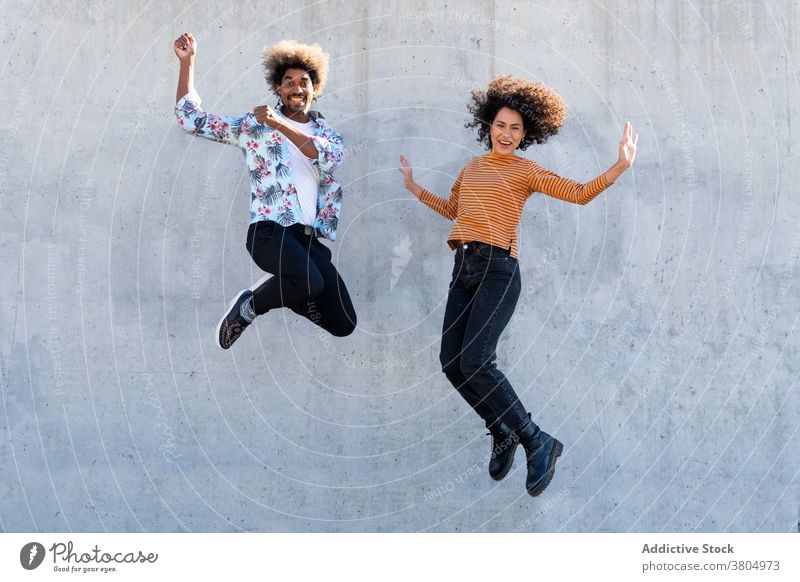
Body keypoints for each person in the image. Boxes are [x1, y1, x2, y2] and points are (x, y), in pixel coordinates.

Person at [399, 75, 637, 496]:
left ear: (526, 134)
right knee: (452, 363)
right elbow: (454, 209)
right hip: (464, 268)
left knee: (476, 361)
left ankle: (536, 439)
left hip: (498, 269)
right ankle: (502, 429)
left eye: (516, 128)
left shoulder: (524, 170)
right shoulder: (471, 168)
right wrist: (415, 188)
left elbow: (579, 193)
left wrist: (618, 166)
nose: (506, 134)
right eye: (500, 125)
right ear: (487, 125)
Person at [173, 33, 356, 349]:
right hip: (269, 233)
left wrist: (280, 125)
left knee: (343, 323)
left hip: (307, 239)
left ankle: (293, 289)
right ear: (278, 88)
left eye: (304, 81)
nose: (296, 88)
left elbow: (321, 154)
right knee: (309, 281)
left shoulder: (330, 136)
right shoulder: (253, 126)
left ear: (315, 88)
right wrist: (187, 62)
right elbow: (191, 120)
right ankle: (249, 306)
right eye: (288, 82)